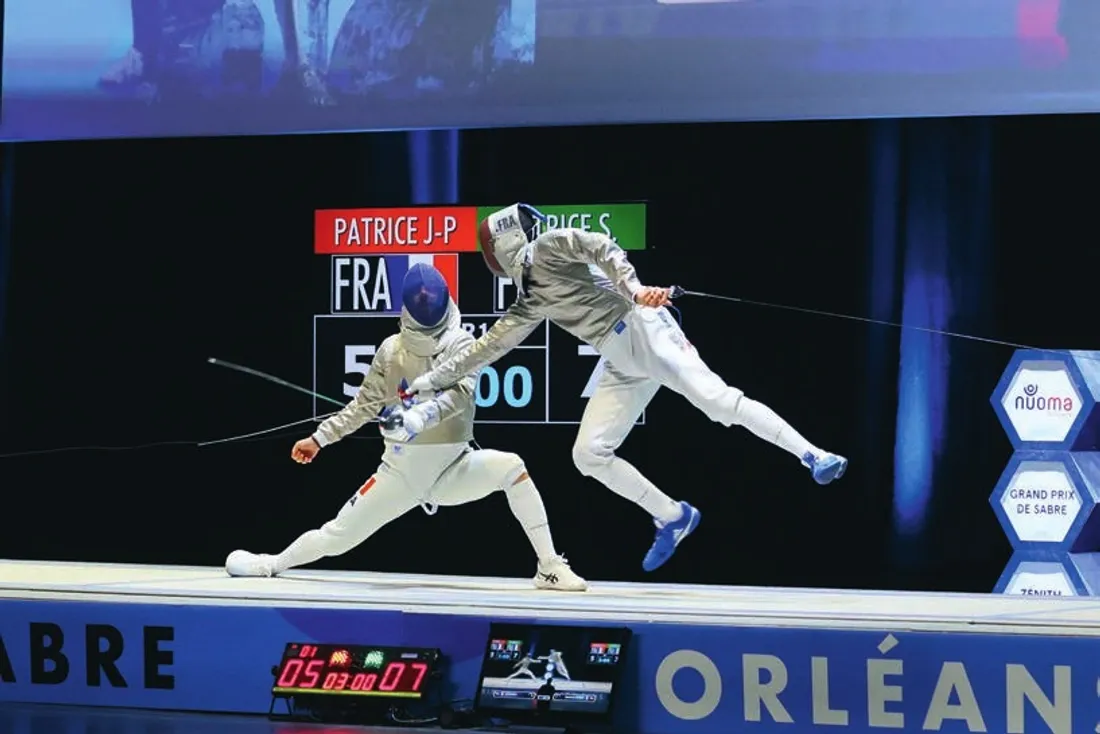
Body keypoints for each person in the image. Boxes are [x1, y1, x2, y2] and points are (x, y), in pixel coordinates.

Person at [405, 204, 848, 572]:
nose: (490, 254)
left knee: (718, 402)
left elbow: (601, 247)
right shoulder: (529, 299)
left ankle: (812, 454)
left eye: (489, 244)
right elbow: (484, 349)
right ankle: (673, 516)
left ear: (504, 240)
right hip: (620, 358)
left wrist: (634, 290)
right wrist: (427, 381)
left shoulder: (549, 246)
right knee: (588, 454)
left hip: (642, 328)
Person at [225, 262, 587, 592]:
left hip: (454, 466)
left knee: (512, 468)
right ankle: (271, 564)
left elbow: (460, 394)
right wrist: (320, 438)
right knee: (336, 536)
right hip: (401, 472)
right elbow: (363, 406)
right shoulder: (390, 350)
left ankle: (549, 566)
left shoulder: (460, 343)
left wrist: (420, 417)